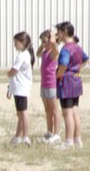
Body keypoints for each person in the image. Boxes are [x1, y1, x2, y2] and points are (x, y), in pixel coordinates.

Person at [55, 21, 88, 149]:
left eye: (59, 32)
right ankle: (77, 139)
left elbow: (63, 64)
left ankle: (68, 140)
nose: (57, 35)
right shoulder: (77, 47)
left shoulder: (66, 49)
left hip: (67, 80)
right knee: (75, 110)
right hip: (76, 79)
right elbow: (85, 59)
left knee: (67, 112)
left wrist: (59, 74)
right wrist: (77, 68)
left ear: (64, 33)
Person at [7, 31, 34, 146]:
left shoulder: (22, 55)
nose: (15, 45)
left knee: (23, 113)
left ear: (23, 42)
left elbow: (14, 70)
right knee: (20, 114)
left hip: (21, 88)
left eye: (16, 43)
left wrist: (8, 74)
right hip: (19, 87)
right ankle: (17, 136)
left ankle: (26, 136)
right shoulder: (25, 54)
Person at [36, 29, 61, 144]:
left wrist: (52, 39)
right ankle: (49, 132)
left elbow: (56, 49)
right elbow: (37, 54)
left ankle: (56, 133)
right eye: (42, 42)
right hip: (44, 84)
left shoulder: (53, 52)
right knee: (47, 110)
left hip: (52, 84)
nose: (44, 44)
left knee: (55, 110)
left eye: (45, 41)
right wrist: (43, 44)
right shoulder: (45, 52)